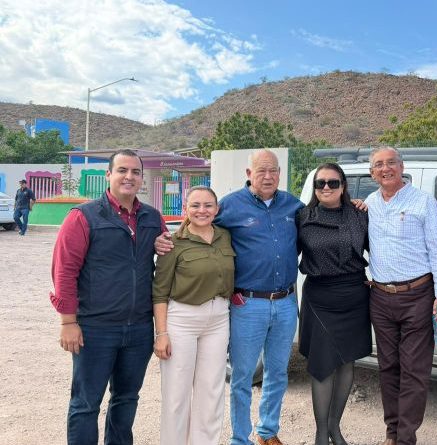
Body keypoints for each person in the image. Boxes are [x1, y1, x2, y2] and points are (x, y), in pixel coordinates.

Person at [155, 149, 302, 445]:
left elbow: (322, 218)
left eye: (273, 170)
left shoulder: (294, 205)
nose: (268, 176)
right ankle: (240, 438)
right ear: (249, 174)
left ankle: (268, 432)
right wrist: (166, 238)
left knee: (277, 373)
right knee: (242, 376)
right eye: (261, 170)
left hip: (286, 303)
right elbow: (199, 222)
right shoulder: (230, 206)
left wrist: (355, 204)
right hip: (248, 304)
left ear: (279, 173)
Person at [49, 149, 165, 445]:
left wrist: (166, 243)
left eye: (135, 172)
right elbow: (64, 271)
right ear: (108, 175)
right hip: (95, 328)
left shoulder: (152, 218)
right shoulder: (83, 216)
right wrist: (68, 322)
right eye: (122, 170)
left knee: (126, 399)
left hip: (139, 328)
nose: (129, 177)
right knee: (85, 404)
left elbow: (167, 253)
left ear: (142, 178)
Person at [365, 147, 437, 445]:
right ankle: (392, 432)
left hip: (418, 296)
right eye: (379, 165)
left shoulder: (423, 202)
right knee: (388, 368)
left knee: (414, 371)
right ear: (372, 173)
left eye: (391, 162)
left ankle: (406, 439)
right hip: (380, 297)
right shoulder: (368, 204)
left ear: (402, 167)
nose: (386, 168)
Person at [152, 186, 235, 445]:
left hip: (218, 319)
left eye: (208, 205)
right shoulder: (172, 242)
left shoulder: (225, 236)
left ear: (217, 209)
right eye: (195, 205)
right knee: (176, 393)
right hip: (182, 320)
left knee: (211, 391)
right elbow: (159, 292)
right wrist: (161, 333)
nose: (202, 210)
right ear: (185, 208)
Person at [296, 162, 371, 445]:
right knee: (323, 364)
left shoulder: (360, 215)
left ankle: (335, 428)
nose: (326, 187)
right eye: (320, 183)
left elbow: (383, 249)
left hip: (354, 296)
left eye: (333, 182)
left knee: (346, 363)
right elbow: (282, 249)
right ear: (315, 187)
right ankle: (320, 435)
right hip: (320, 298)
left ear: (343, 186)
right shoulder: (303, 217)